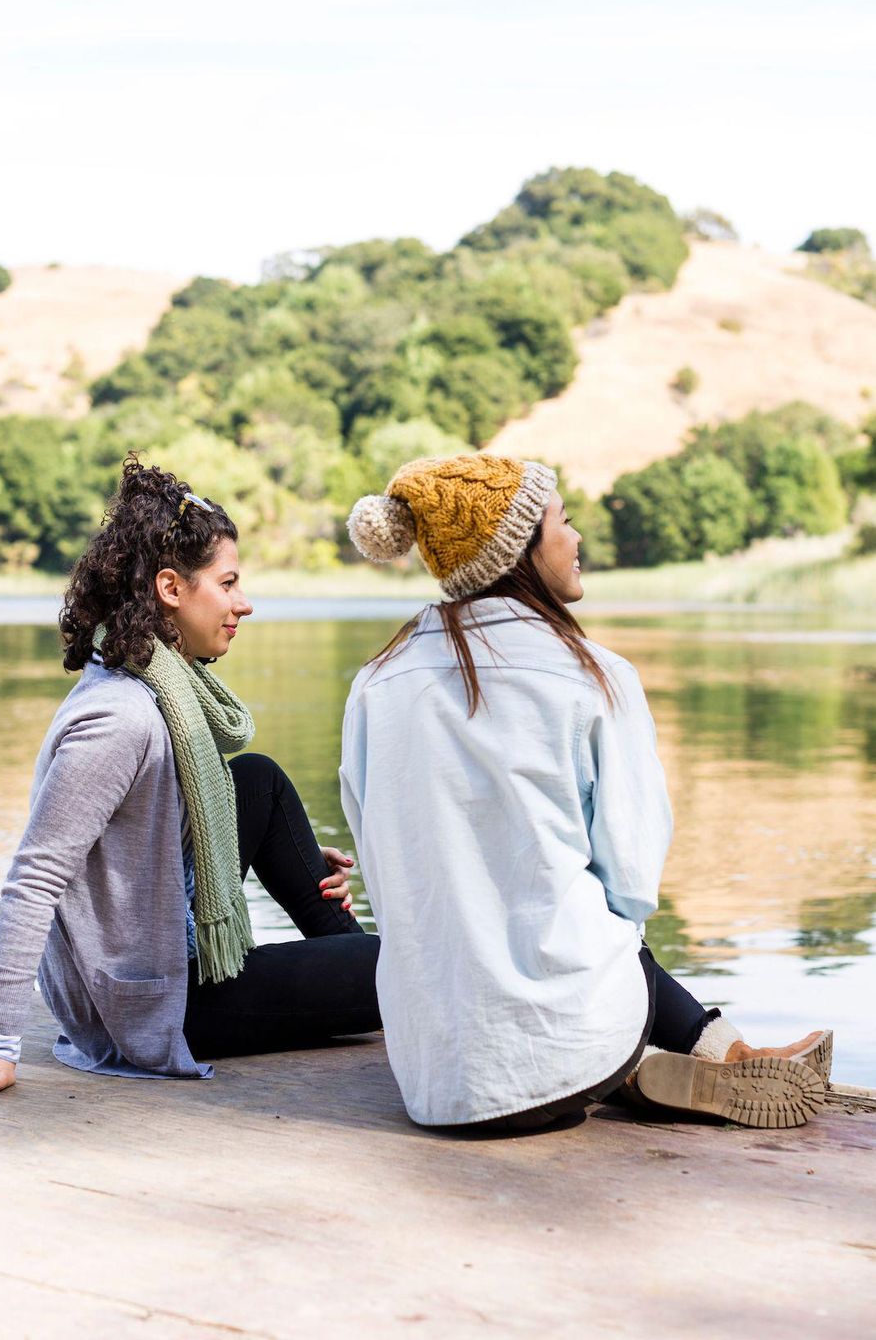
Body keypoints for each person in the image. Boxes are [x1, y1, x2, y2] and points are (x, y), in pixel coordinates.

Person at [340, 453, 831, 1132]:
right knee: (601, 920)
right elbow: (632, 884)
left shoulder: (375, 683)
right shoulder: (594, 675)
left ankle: (658, 1061)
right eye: (563, 521)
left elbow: (378, 855)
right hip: (571, 1037)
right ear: (519, 550)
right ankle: (690, 1054)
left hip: (434, 1078)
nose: (576, 538)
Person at [0, 457, 380, 1104]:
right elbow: (33, 878)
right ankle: (376, 983)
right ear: (171, 588)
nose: (244, 604)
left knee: (257, 780)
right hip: (153, 1004)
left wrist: (293, 858)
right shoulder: (118, 718)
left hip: (164, 944)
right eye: (228, 583)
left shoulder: (153, 682)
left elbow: (158, 830)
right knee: (399, 964)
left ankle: (358, 970)